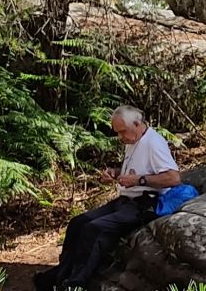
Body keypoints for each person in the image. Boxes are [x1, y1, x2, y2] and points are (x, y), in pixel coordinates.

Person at [35, 105, 183, 290]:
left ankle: (75, 284)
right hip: (124, 200)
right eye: (118, 133)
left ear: (137, 124)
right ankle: (59, 275)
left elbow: (173, 178)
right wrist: (115, 173)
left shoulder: (154, 143)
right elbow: (137, 169)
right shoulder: (133, 139)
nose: (120, 137)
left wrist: (139, 180)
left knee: (93, 229)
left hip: (144, 203)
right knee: (77, 223)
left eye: (122, 132)